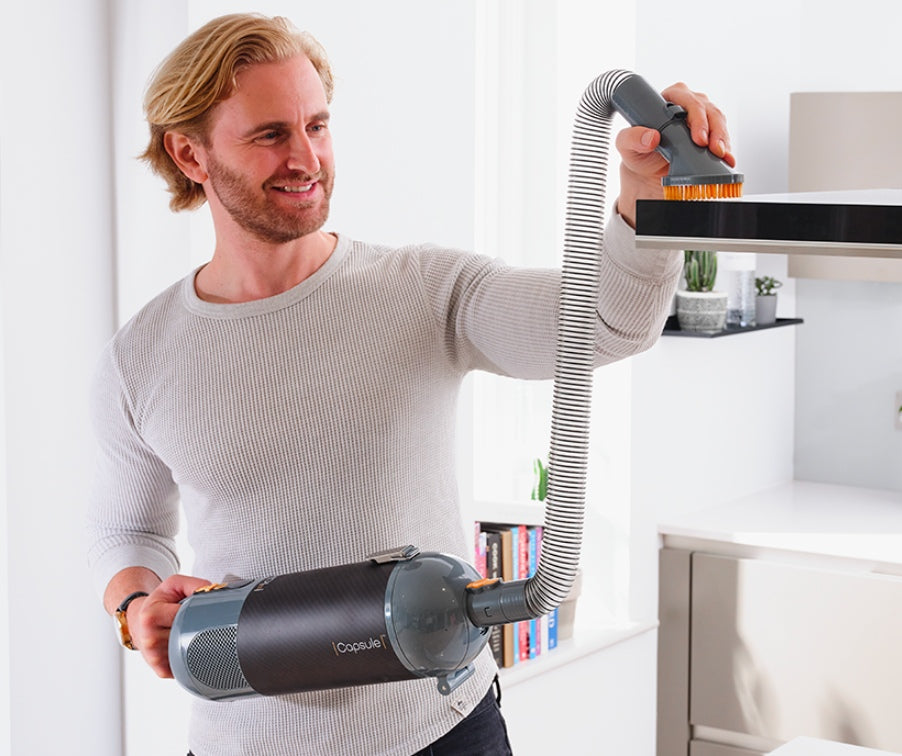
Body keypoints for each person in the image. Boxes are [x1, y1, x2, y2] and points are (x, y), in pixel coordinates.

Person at [86, 12, 735, 756]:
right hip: (243, 740)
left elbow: (608, 322)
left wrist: (646, 198)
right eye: (270, 135)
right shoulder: (142, 356)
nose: (307, 158)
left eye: (318, 125)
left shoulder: (421, 290)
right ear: (189, 153)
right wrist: (137, 605)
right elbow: (126, 530)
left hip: (442, 731)